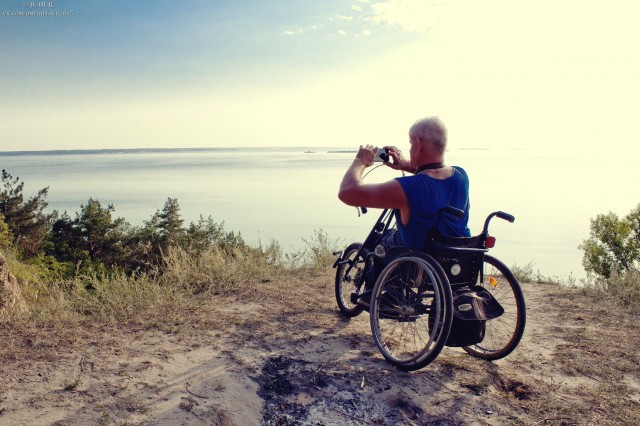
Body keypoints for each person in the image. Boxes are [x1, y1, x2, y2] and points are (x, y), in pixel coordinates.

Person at [338, 117, 470, 250]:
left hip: (416, 259)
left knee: (383, 241)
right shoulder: (461, 176)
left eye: (411, 144)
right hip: (456, 257)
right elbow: (435, 179)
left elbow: (347, 192)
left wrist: (360, 161)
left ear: (419, 144)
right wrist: (406, 165)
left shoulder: (407, 188)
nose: (410, 148)